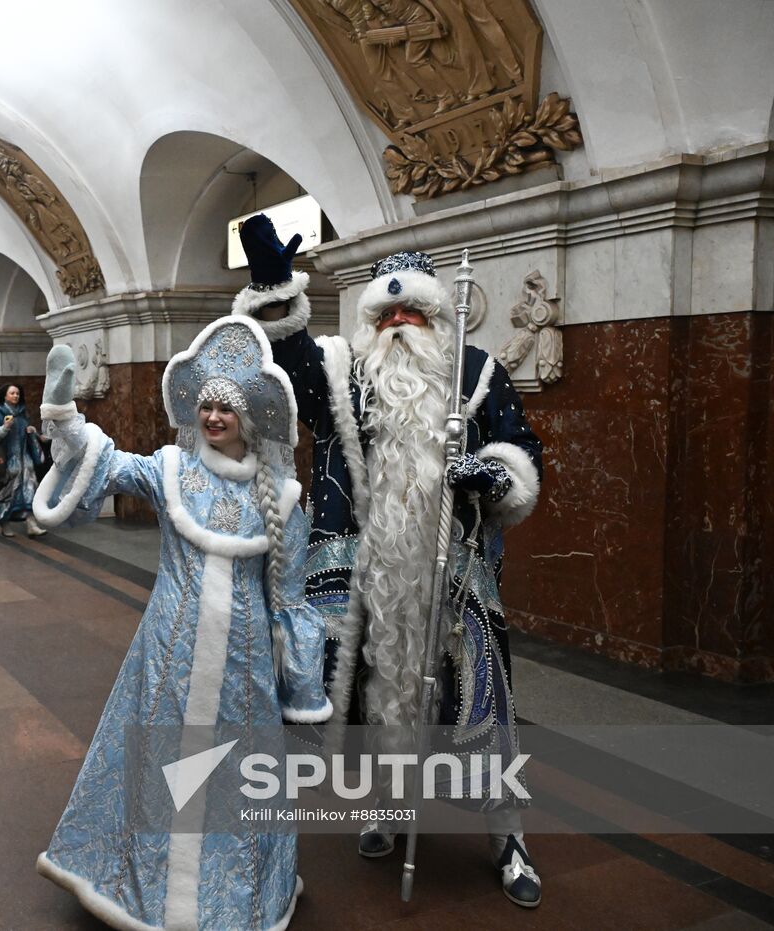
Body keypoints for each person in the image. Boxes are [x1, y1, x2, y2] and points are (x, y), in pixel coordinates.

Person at [235, 215, 544, 907]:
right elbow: (293, 370)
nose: (400, 322)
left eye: (413, 310)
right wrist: (273, 288)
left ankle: (508, 833)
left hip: (456, 573)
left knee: (481, 706)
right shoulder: (347, 372)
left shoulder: (476, 369)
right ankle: (385, 802)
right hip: (366, 568)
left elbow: (523, 448)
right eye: (388, 311)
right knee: (377, 695)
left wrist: (490, 475)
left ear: (436, 314)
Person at [32, 319, 330, 930]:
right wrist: (62, 412)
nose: (213, 416)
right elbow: (105, 464)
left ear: (248, 418)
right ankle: (148, 892)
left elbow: (293, 600)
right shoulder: (170, 469)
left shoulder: (284, 498)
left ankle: (234, 900)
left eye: (226, 407)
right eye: (206, 405)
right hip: (169, 651)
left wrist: (302, 694)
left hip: (243, 671)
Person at [0, 386, 44, 537]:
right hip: (6, 460)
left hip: (24, 459)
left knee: (31, 488)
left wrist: (32, 431)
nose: (15, 396)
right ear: (5, 396)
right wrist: (5, 427)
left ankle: (31, 524)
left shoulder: (22, 412)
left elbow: (26, 429)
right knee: (6, 494)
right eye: (12, 393)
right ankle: (5, 524)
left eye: (17, 393)